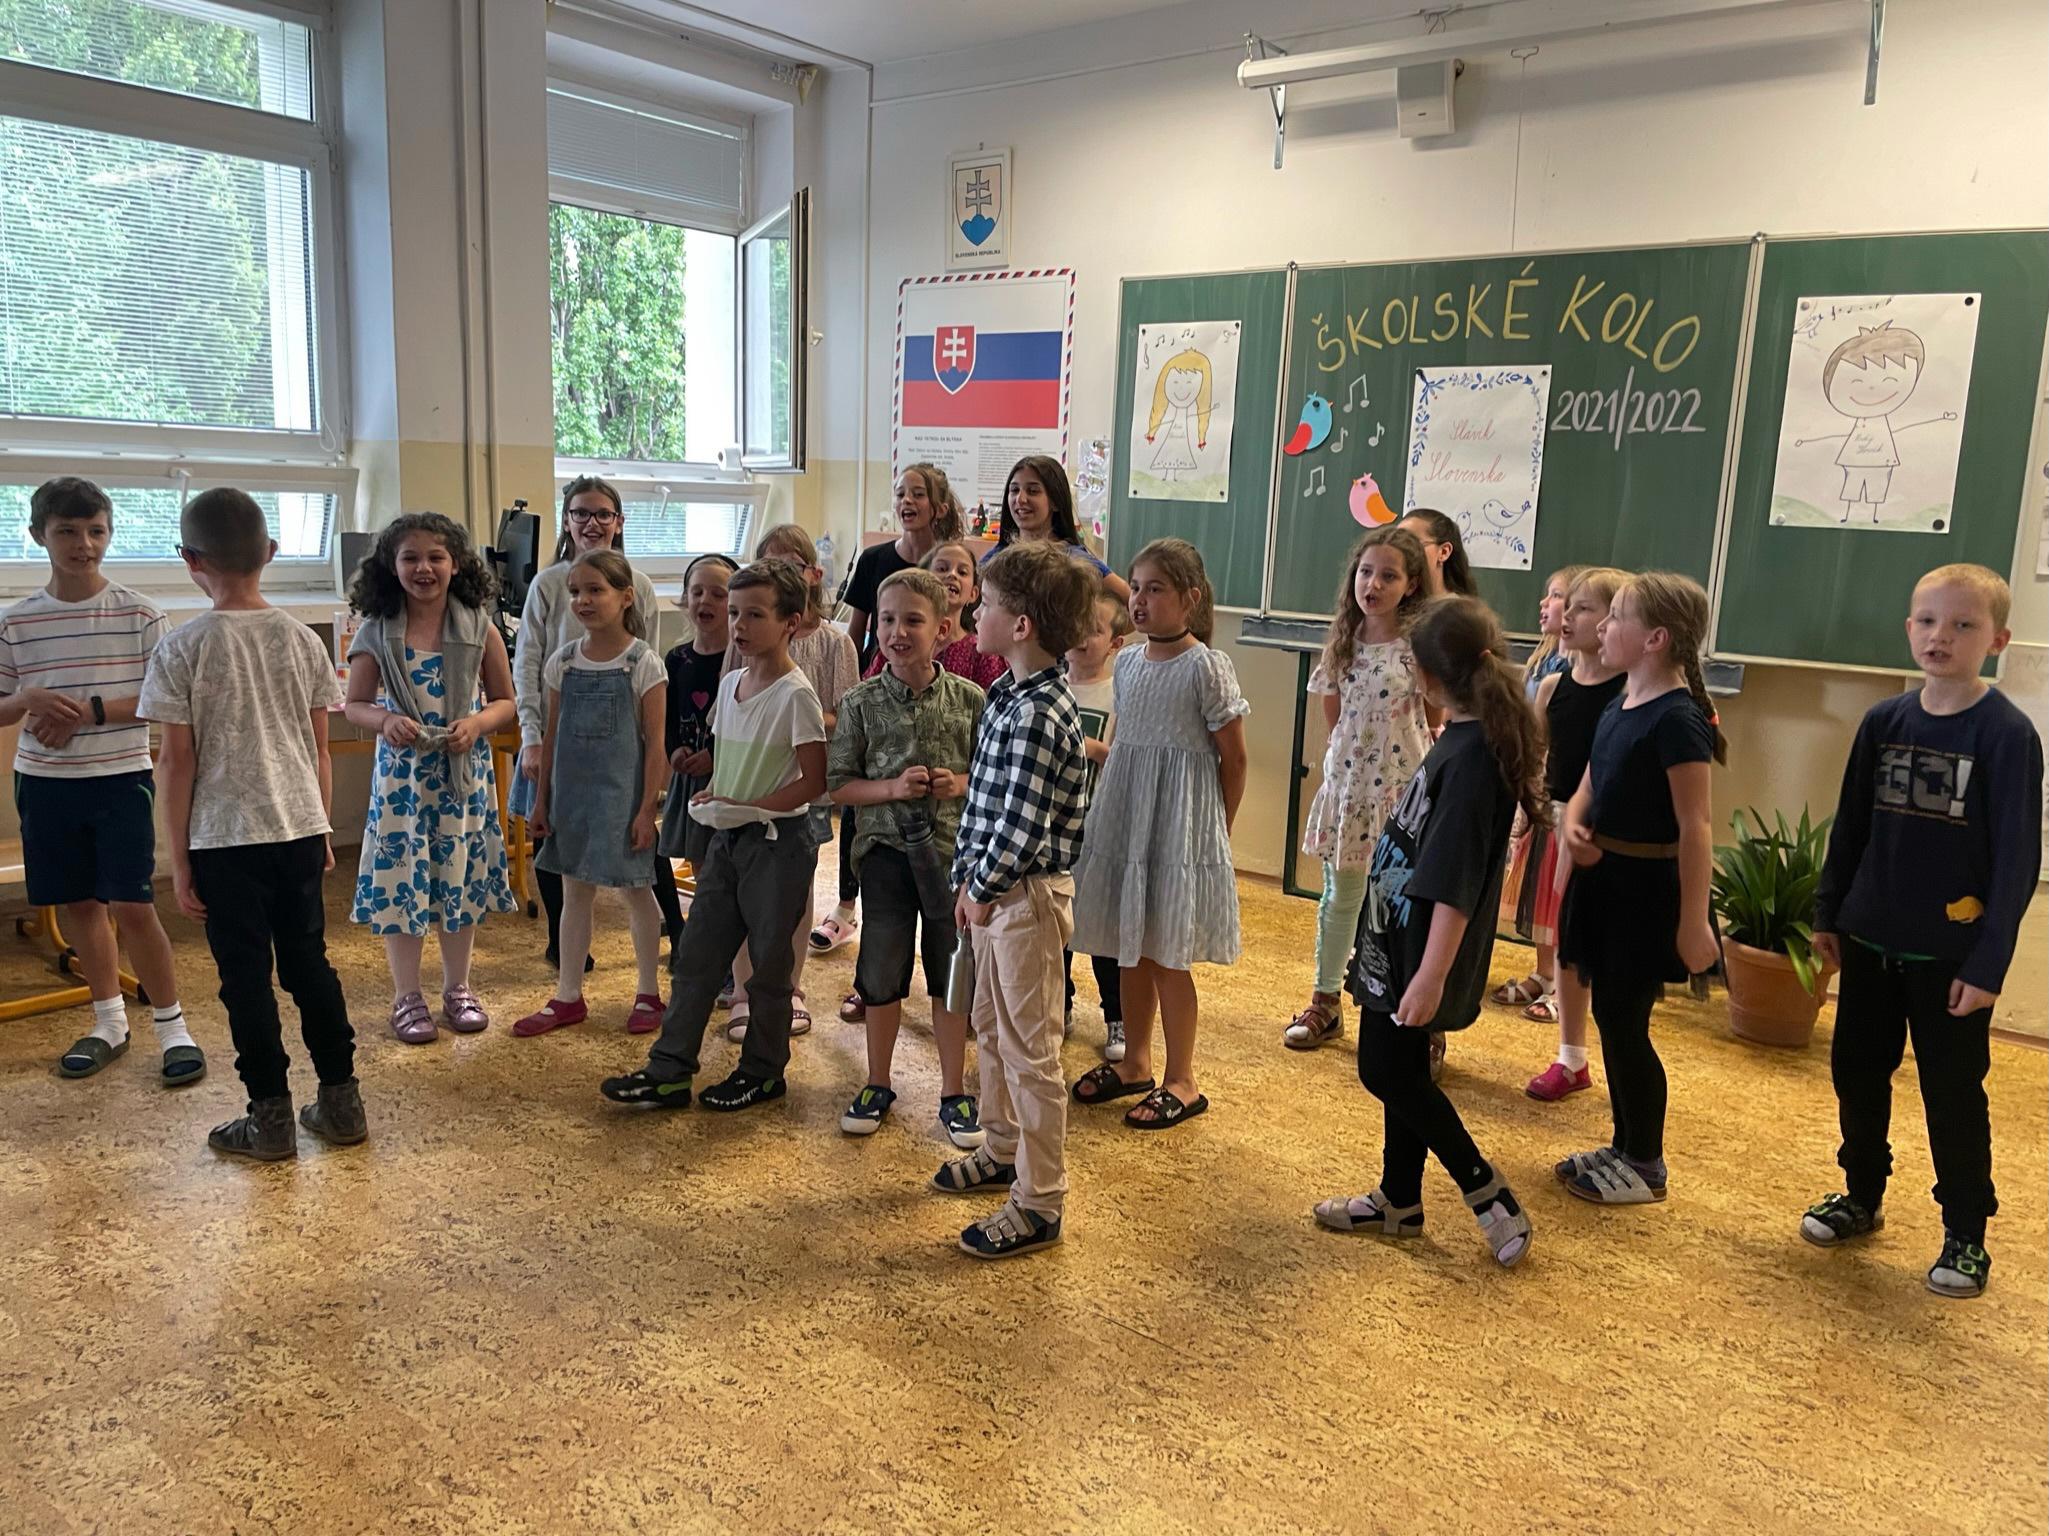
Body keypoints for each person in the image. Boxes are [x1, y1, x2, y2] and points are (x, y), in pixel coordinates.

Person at [1802, 564, 2042, 1299]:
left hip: (1951, 958)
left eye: (1963, 625)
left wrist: (1989, 963)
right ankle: (1861, 1194)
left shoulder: (2006, 735)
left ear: (1996, 640)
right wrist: (1829, 914)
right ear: (1909, 628)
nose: (1942, 636)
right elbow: (1850, 826)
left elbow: (2015, 861)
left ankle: (1965, 1232)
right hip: (1871, 940)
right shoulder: (1884, 722)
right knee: (1856, 1073)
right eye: (1929, 621)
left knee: (1952, 1092)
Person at [1312, 596, 1539, 1268]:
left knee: (1385, 1069)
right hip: (1398, 938)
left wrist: (1431, 976)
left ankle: (1484, 1190)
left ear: (1430, 676)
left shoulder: (1472, 762)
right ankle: (1398, 1201)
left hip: (1419, 950)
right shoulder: (1460, 740)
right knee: (1401, 1069)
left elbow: (1453, 881)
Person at [139, 488, 360, 1160]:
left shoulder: (181, 648)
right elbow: (319, 748)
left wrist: (178, 861)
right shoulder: (302, 639)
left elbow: (176, 762)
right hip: (298, 828)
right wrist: (322, 828)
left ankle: (270, 1119)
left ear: (189, 559)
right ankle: (342, 1103)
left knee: (245, 980)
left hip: (223, 839)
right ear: (271, 551)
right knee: (309, 965)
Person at [600, 560, 826, 1113]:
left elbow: (814, 782)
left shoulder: (796, 695)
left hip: (778, 845)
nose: (740, 625)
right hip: (727, 841)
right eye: (735, 614)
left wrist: (749, 806)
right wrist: (715, 791)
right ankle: (669, 1070)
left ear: (791, 622)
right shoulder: (730, 685)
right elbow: (730, 762)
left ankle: (763, 1072)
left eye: (755, 615)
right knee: (697, 957)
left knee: (768, 969)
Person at [0, 477, 196, 1084]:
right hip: (45, 783)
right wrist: (26, 699)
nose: (83, 544)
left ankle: (173, 1027)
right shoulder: (16, 622)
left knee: (134, 904)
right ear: (39, 536)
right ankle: (109, 1021)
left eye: (95, 531)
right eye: (67, 531)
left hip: (119, 779)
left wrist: (85, 711)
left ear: (109, 534)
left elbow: (163, 699)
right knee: (81, 903)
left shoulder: (141, 613)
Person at [931, 541, 1095, 1259]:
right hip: (993, 895)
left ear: (1021, 625)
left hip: (1021, 900)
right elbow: (986, 806)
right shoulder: (1008, 692)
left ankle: (1039, 1202)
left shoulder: (1037, 713)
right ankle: (1001, 1149)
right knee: (992, 1032)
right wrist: (968, 883)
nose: (975, 611)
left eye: (988, 604)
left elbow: (1021, 829)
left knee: (1031, 1053)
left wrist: (979, 887)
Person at [1554, 572, 1725, 1205]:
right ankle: (1624, 1146)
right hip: (1604, 884)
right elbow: (1589, 783)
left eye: (1616, 617)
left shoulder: (1678, 720)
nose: (1602, 627)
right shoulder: (1619, 702)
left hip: (1645, 894)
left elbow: (1696, 825)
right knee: (1611, 1016)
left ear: (1655, 639)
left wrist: (1693, 921)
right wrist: (1573, 824)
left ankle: (1646, 1162)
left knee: (1627, 1026)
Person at [1068, 538, 1249, 1130]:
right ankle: (1136, 1063)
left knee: (1168, 955)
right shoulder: (1128, 664)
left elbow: (1234, 759)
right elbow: (1126, 745)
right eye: (1137, 588)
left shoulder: (1205, 666)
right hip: (1128, 817)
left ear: (1190, 598)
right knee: (1131, 944)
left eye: (1156, 589)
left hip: (1180, 826)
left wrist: (1217, 830)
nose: (1139, 600)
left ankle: (1183, 1080)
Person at [344, 511, 518, 1043]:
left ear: (456, 564)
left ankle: (458, 988)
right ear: (391, 566)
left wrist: (477, 723)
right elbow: (355, 705)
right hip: (402, 783)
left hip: (462, 779)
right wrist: (385, 720)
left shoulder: (479, 627)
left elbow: (506, 701)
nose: (424, 568)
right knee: (404, 884)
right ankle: (406, 996)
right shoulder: (376, 631)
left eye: (436, 557)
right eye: (411, 558)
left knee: (457, 880)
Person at [828, 568, 987, 1144]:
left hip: (951, 861)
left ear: (942, 629)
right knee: (880, 971)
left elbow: (989, 777)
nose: (897, 632)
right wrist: (892, 788)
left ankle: (953, 1091)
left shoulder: (971, 699)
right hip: (885, 859)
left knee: (950, 972)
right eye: (888, 619)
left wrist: (959, 783)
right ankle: (877, 1081)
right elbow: (838, 785)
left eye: (913, 620)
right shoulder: (860, 702)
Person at [1283, 525, 1433, 1051]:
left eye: (1389, 576)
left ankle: (1415, 1017)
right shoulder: (1342, 642)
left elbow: (1434, 716)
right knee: (1341, 898)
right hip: (1350, 792)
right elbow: (1334, 713)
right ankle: (1326, 1000)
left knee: (1400, 904)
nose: (1374, 584)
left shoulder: (1418, 646)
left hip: (1402, 794)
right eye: (1366, 572)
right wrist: (1349, 767)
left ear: (1411, 585)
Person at [515, 550, 670, 1038]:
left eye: (595, 590)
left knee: (636, 891)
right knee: (573, 892)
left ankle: (648, 992)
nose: (583, 600)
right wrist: (541, 801)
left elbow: (655, 746)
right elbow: (552, 738)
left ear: (626, 598)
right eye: (576, 591)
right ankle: (568, 995)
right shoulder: (562, 661)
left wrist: (646, 810)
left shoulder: (643, 663)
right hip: (571, 800)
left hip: (622, 801)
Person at [512, 477, 660, 970]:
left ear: (619, 522)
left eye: (603, 514)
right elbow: (527, 664)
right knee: (556, 841)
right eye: (581, 513)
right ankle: (564, 948)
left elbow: (649, 665)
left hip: (619, 747)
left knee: (636, 849)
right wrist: (532, 738)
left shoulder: (639, 586)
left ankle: (667, 951)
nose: (591, 523)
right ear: (567, 520)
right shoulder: (548, 584)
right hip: (557, 739)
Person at [823, 465, 966, 965]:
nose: (907, 501)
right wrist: (857, 687)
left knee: (942, 938)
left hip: (945, 836)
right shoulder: (875, 559)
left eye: (918, 494)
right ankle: (847, 905)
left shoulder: (949, 566)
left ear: (938, 506)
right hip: (880, 686)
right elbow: (857, 632)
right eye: (900, 493)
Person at [739, 523, 856, 1037]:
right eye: (769, 565)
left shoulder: (833, 643)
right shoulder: (748, 637)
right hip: (752, 779)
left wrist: (793, 714)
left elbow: (845, 716)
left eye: (790, 565)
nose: (779, 575)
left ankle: (790, 987)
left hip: (806, 785)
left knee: (795, 888)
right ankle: (744, 987)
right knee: (748, 885)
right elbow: (734, 699)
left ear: (812, 574)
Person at [1520, 568, 1627, 1101]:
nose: (1567, 615)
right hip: (1559, 825)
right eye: (1570, 604)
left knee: (1601, 950)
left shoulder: (1628, 692)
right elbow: (1536, 757)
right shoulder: (1552, 687)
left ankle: (1616, 1056)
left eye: (1584, 608)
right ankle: (1572, 1056)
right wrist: (1528, 812)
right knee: (1565, 944)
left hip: (1608, 837)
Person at [1493, 564, 1582, 1021]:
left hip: (1567, 791)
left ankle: (1566, 985)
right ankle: (1545, 972)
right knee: (1540, 884)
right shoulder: (1541, 662)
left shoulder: (1582, 670)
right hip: (1537, 785)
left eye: (1557, 596)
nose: (1545, 604)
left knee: (1562, 890)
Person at [1062, 588, 1133, 1059]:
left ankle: (1117, 1017)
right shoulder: (1052, 686)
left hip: (1102, 828)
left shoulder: (1119, 695)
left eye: (1095, 629)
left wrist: (1093, 749)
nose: (1081, 636)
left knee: (1104, 931)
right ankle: (1060, 1004)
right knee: (1058, 928)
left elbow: (1126, 759)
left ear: (1115, 643)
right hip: (1056, 830)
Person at [657, 554, 736, 890]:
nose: (706, 600)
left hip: (727, 774)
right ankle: (707, 909)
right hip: (689, 774)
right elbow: (668, 716)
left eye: (718, 594)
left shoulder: (742, 660)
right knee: (699, 856)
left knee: (726, 856)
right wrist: (674, 750)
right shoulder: (677, 658)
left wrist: (715, 755)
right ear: (685, 597)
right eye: (697, 592)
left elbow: (741, 719)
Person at [987, 455, 1131, 604]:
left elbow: (1129, 598)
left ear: (1055, 502)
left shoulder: (1074, 560)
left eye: (1033, 491)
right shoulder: (995, 558)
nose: (1020, 499)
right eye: (1014, 490)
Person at [1397, 508, 1477, 598]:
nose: (1399, 553)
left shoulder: (1457, 606)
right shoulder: (1392, 602)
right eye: (1395, 545)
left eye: (1410, 543)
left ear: (1444, 552)